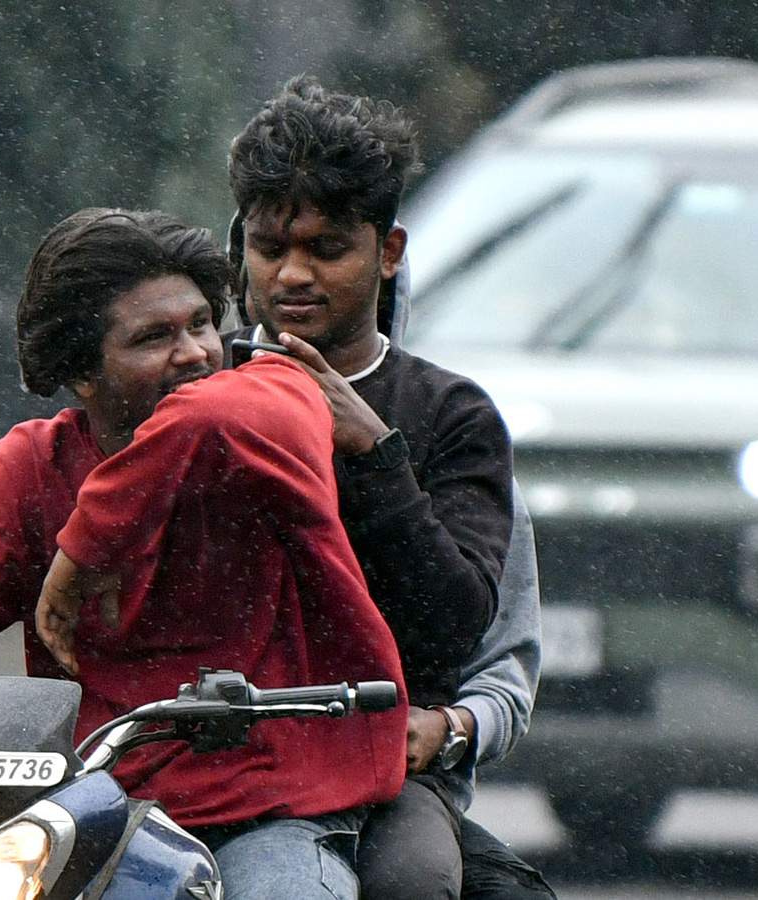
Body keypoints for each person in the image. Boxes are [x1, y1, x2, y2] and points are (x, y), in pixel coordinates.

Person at [0, 207, 408, 900]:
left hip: (275, 810)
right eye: (153, 337)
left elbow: (213, 416)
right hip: (95, 806)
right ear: (81, 372)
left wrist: (85, 549)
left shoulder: (273, 396)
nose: (196, 352)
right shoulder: (26, 469)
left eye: (202, 323)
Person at [225, 75, 557, 900]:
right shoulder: (198, 391)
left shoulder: (450, 416)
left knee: (415, 884)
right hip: (219, 754)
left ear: (390, 250)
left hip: (386, 772)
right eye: (270, 248)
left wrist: (374, 456)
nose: (293, 275)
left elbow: (454, 629)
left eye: (327, 248)